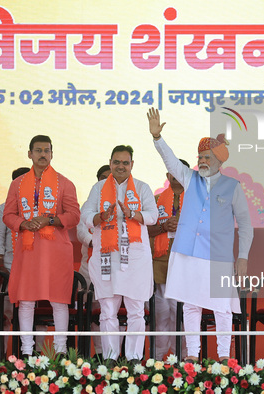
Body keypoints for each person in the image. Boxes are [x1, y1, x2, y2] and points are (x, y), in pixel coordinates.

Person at [147, 108, 253, 362]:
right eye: (200, 157)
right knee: (191, 305)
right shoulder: (189, 178)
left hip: (219, 257)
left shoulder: (232, 186)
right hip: (188, 254)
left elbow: (246, 225)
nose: (202, 161)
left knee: (222, 309)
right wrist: (157, 138)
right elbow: (171, 161)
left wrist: (243, 258)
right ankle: (193, 356)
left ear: (219, 160)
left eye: (207, 157)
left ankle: (225, 357)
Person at [3, 135, 80, 356]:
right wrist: (23, 223)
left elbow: (74, 215)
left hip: (56, 251)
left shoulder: (64, 183)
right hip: (28, 251)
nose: (43, 154)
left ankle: (61, 351)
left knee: (59, 301)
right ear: (30, 154)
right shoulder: (17, 184)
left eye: (47, 150)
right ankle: (27, 352)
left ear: (52, 154)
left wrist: (50, 220)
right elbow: (8, 215)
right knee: (26, 301)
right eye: (38, 150)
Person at [81, 145, 158, 364]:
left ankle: (134, 358)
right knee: (107, 310)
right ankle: (110, 358)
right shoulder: (98, 188)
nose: (121, 166)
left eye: (125, 162)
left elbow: (152, 216)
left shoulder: (142, 188)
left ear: (132, 164)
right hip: (108, 256)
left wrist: (132, 214)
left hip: (134, 258)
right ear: (110, 163)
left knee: (135, 310)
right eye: (117, 162)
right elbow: (85, 214)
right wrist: (100, 216)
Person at [147, 159, 189, 361]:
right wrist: (164, 227)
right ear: (167, 176)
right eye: (172, 172)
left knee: (182, 316)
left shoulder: (196, 201)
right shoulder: (155, 201)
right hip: (160, 267)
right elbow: (144, 229)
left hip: (186, 267)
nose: (176, 175)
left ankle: (184, 360)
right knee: (161, 316)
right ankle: (157, 359)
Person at [0, 166, 30, 353]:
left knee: (32, 314)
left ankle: (33, 354)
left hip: (32, 270)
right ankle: (2, 355)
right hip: (9, 270)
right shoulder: (3, 209)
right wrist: (1, 268)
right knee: (6, 315)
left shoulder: (37, 209)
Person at [76, 164, 110, 359]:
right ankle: (93, 356)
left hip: (112, 269)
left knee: (107, 313)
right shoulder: (88, 206)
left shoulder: (120, 204)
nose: (106, 181)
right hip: (88, 269)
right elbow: (81, 232)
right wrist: (96, 243)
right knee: (90, 315)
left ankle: (108, 354)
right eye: (103, 178)